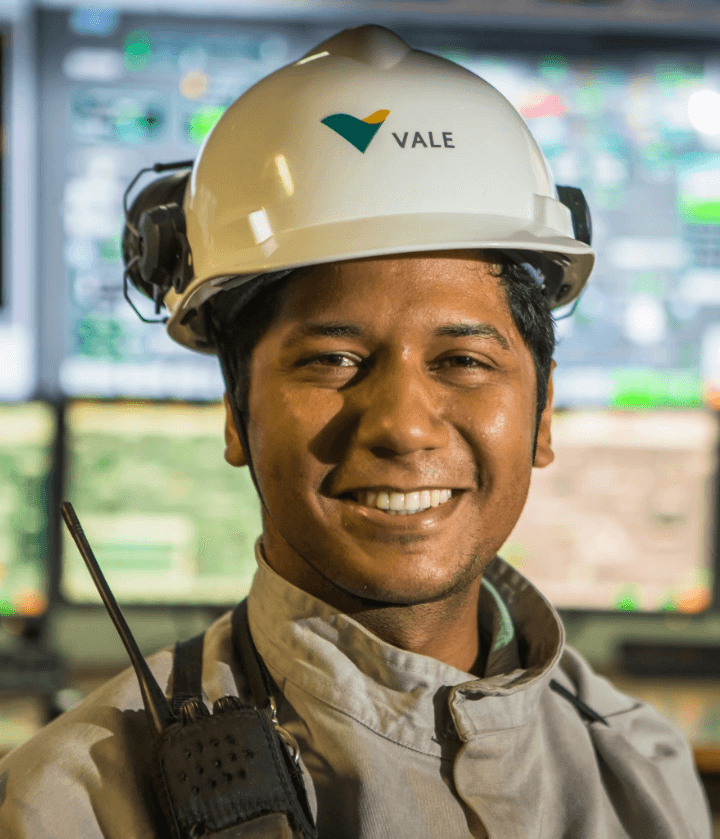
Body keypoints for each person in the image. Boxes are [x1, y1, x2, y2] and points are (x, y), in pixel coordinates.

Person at [0, 24, 712, 839]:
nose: (404, 427)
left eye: (464, 360)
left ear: (543, 415)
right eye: (333, 359)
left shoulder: (643, 768)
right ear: (236, 414)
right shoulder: (70, 804)